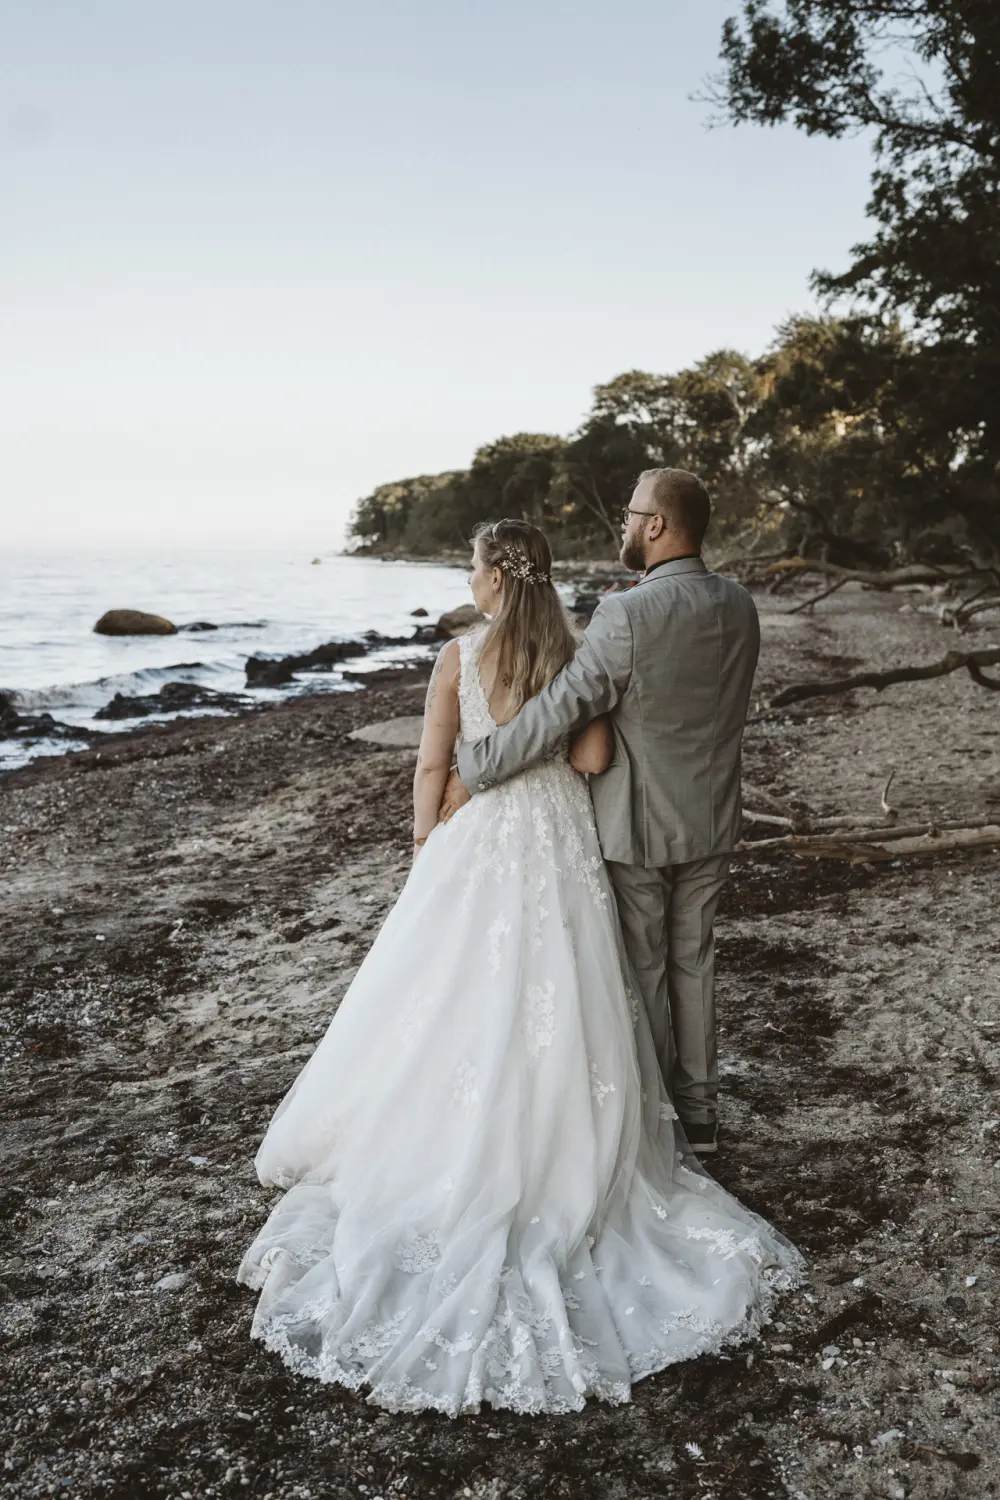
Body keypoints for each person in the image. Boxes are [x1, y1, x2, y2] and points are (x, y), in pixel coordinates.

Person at [237, 516, 802, 1417]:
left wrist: (428, 840)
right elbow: (593, 755)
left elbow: (434, 764)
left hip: (480, 844)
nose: (468, 576)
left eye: (470, 564)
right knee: (568, 998)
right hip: (557, 849)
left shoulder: (460, 656)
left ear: (495, 580)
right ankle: (587, 1142)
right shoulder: (572, 649)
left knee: (454, 995)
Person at [443, 470, 759, 1158]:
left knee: (645, 968)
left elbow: (564, 707)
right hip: (713, 817)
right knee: (695, 962)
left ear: (657, 526)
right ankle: (702, 1117)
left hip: (638, 824)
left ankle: (660, 1119)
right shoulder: (739, 604)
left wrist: (478, 764)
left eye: (630, 514)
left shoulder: (628, 614)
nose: (622, 525)